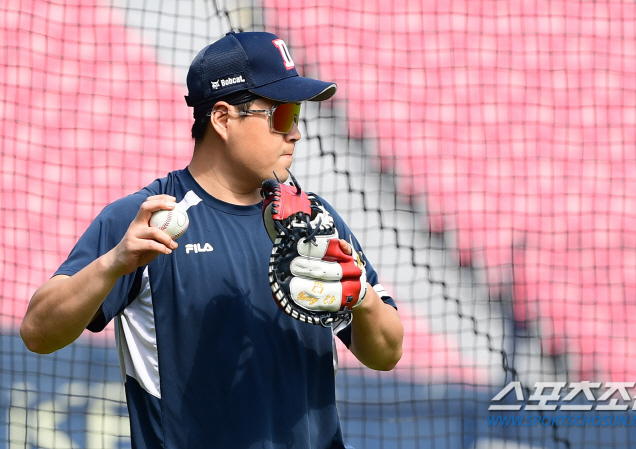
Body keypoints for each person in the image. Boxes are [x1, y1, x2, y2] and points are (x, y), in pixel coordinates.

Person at [20, 31, 403, 449]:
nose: (295, 134)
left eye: (298, 116)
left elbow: (386, 353)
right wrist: (113, 263)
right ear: (222, 118)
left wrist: (360, 296)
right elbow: (38, 333)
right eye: (282, 114)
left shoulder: (315, 219)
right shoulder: (149, 218)